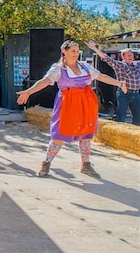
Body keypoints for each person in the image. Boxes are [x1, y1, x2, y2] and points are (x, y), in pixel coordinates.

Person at [17, 40, 126, 178]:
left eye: (77, 51)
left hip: (85, 104)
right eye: (73, 51)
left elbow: (101, 77)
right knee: (59, 136)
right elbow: (44, 81)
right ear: (65, 53)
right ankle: (46, 162)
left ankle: (85, 165)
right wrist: (28, 92)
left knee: (86, 135)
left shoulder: (85, 67)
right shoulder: (58, 68)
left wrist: (119, 83)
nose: (76, 54)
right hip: (67, 104)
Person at [87, 42, 138, 125]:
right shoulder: (120, 65)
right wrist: (95, 49)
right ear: (123, 57)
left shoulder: (137, 65)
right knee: (121, 117)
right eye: (128, 55)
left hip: (136, 94)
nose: (130, 56)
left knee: (138, 117)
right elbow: (106, 58)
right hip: (124, 93)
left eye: (131, 55)